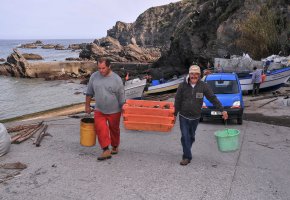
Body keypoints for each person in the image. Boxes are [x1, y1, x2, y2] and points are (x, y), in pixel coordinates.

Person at [174, 65, 228, 166]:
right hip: (183, 116)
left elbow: (212, 98)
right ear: (189, 74)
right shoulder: (182, 86)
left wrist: (222, 110)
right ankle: (186, 157)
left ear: (199, 75)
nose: (194, 76)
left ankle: (187, 149)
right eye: (192, 74)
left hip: (196, 117)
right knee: (185, 136)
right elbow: (177, 100)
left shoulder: (203, 86)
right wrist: (174, 114)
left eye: (196, 74)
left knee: (191, 137)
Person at [85, 58, 125, 161]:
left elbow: (121, 96)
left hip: (114, 110)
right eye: (99, 68)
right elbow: (89, 92)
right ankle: (106, 150)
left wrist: (123, 108)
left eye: (103, 68)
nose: (101, 70)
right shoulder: (94, 76)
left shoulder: (116, 79)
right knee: (100, 129)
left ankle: (115, 146)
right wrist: (87, 106)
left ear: (109, 66)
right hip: (99, 109)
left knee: (114, 130)